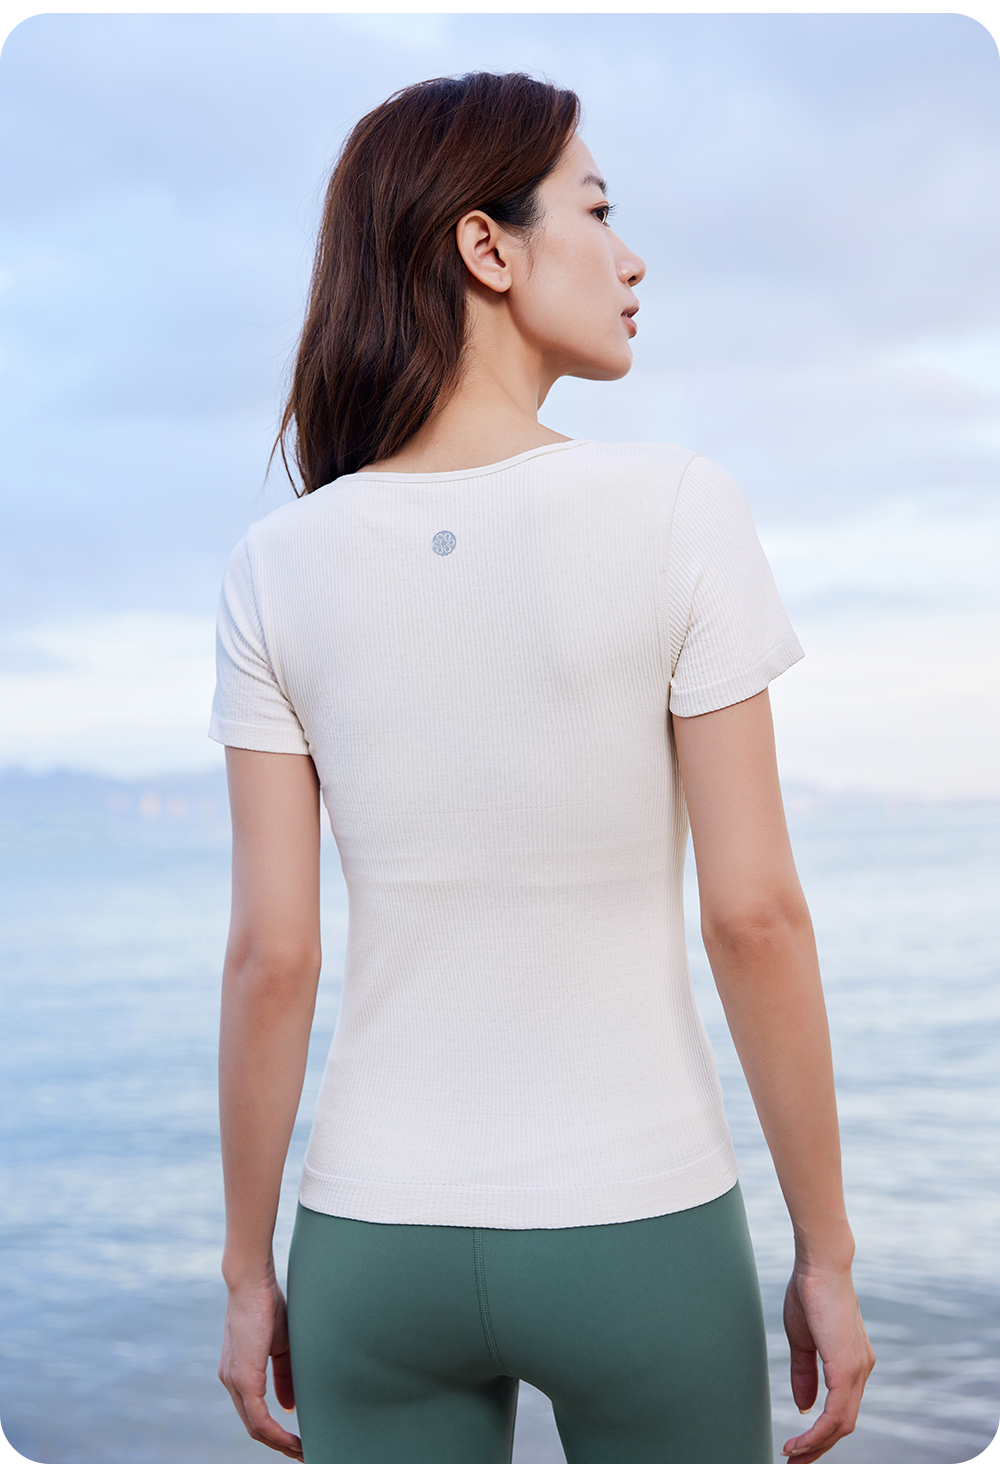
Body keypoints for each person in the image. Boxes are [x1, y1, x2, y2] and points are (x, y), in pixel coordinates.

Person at [210, 71, 875, 1464]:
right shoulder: (679, 508)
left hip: (370, 1240)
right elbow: (756, 917)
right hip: (638, 1223)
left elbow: (274, 956)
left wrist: (247, 1268)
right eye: (598, 209)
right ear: (488, 248)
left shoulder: (277, 566)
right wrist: (827, 1250)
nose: (632, 259)